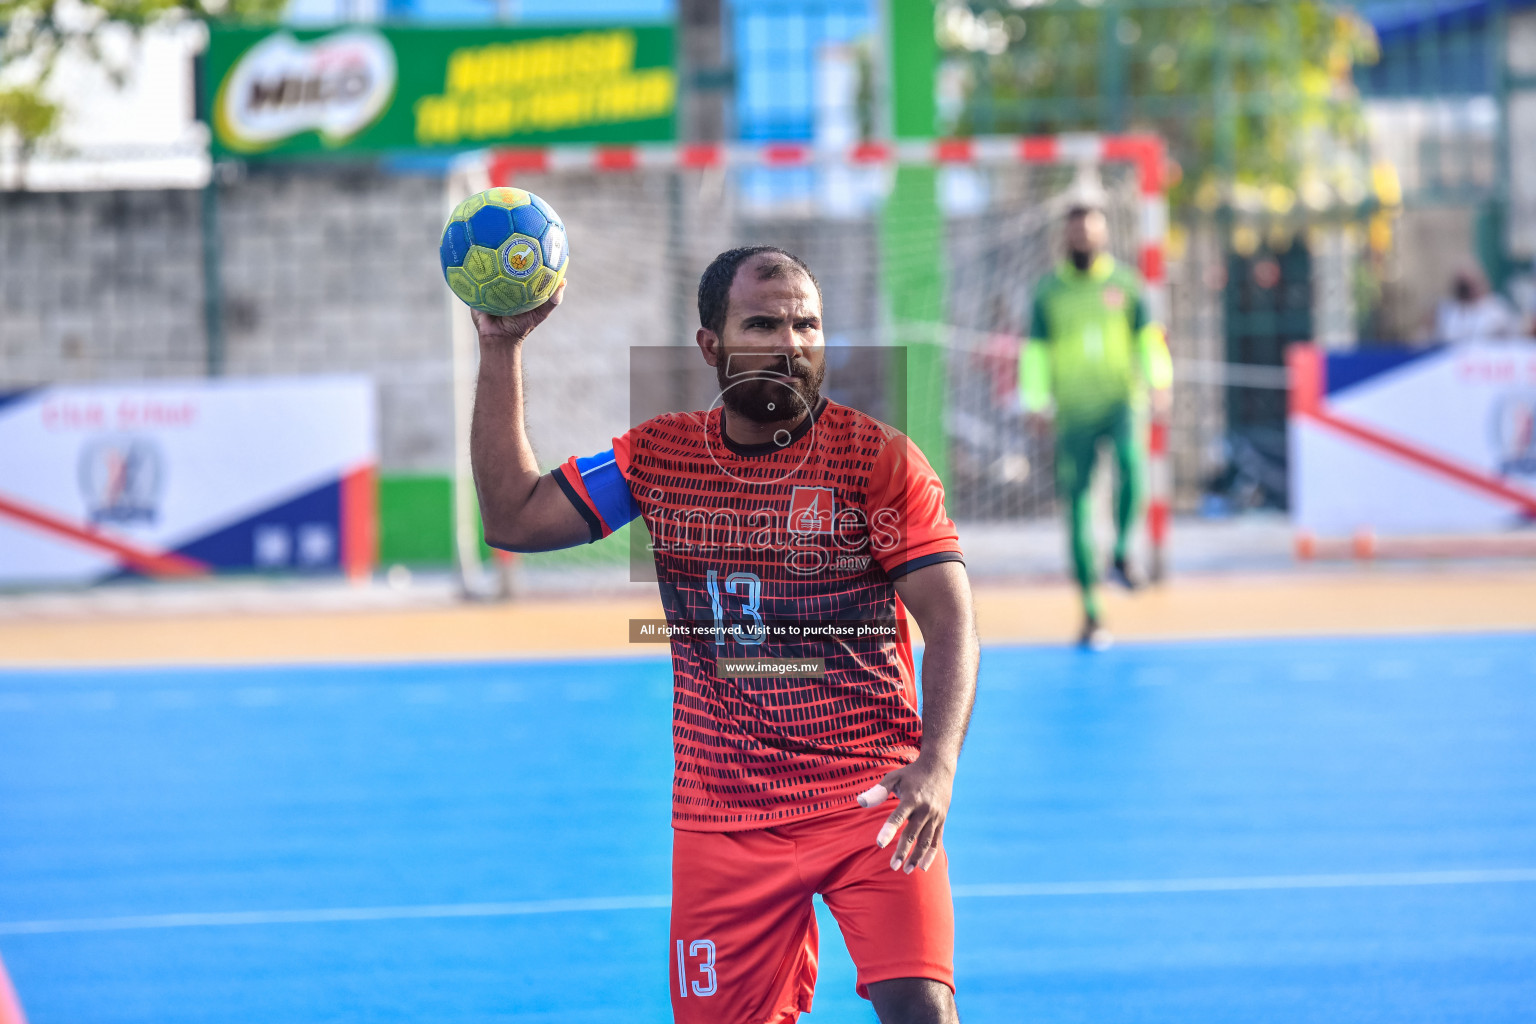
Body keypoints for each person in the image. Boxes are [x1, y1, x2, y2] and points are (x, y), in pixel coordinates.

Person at [469, 245, 979, 1024]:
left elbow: (949, 618)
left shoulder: (878, 461)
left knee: (924, 1010)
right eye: (763, 324)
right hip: (724, 817)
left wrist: (938, 765)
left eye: (806, 324)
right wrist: (501, 350)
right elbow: (514, 517)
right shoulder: (659, 457)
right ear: (712, 346)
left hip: (869, 795)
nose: (790, 343)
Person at [1020, 204, 1173, 650]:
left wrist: (1160, 382)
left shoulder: (1125, 284)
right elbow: (1035, 351)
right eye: (1077, 232)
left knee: (1133, 467)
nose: (1084, 238)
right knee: (1079, 506)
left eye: (1091, 231)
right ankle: (1090, 611)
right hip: (1072, 412)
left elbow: (1148, 338)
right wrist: (1034, 400)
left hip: (1122, 401)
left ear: (1104, 234)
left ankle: (1124, 551)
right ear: (1066, 237)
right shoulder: (1048, 292)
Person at [1432, 265, 1523, 342]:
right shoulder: (1450, 311)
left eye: (1472, 284)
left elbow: (1512, 332)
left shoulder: (1495, 307)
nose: (1469, 289)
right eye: (1464, 285)